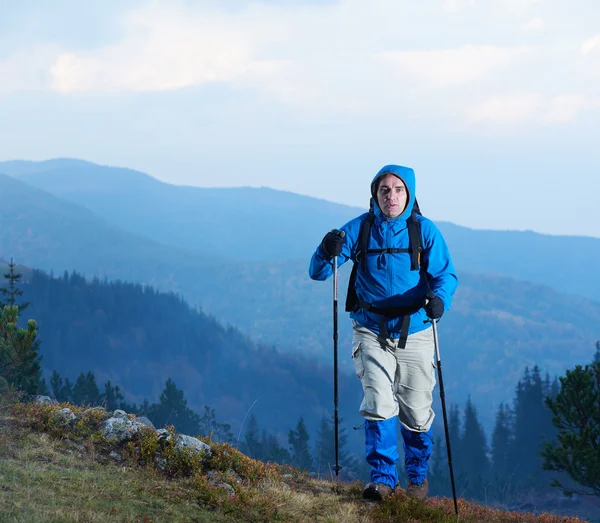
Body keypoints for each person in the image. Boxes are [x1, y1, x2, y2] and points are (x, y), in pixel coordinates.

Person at [309, 164, 458, 501]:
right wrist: (325, 248)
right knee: (378, 402)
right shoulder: (361, 228)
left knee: (417, 411)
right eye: (384, 190)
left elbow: (446, 276)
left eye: (398, 189)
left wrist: (439, 301)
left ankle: (417, 481)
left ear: (410, 193)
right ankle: (383, 482)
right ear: (375, 194)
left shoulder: (425, 231)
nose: (391, 196)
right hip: (370, 329)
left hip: (416, 329)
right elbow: (319, 272)